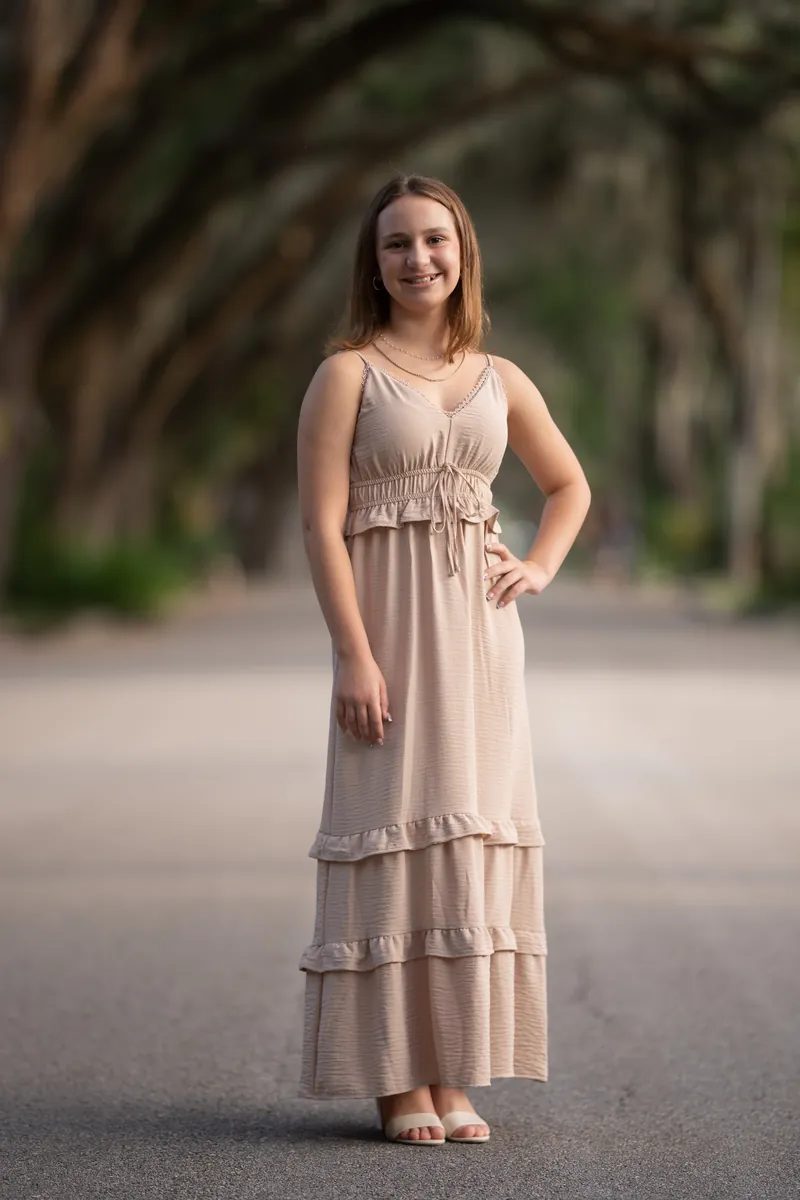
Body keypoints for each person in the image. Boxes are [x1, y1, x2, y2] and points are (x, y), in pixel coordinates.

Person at [295, 173, 591, 1145]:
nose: (417, 258)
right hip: (385, 640)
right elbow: (320, 526)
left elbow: (566, 487)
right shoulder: (345, 373)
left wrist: (537, 566)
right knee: (391, 832)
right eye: (395, 245)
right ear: (371, 265)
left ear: (461, 251)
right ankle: (392, 1083)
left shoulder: (499, 379)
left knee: (464, 837)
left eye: (434, 240)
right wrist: (352, 657)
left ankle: (453, 1075)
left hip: (479, 643)